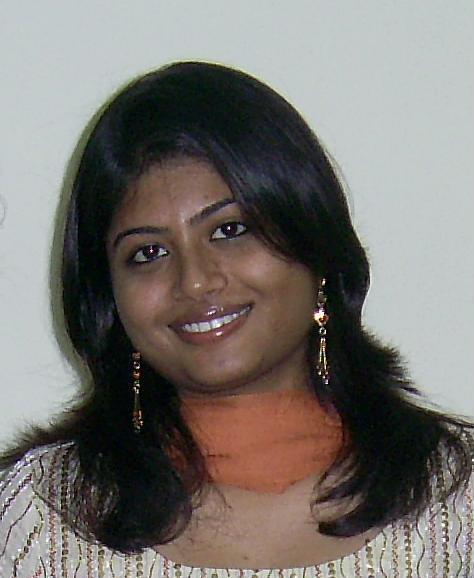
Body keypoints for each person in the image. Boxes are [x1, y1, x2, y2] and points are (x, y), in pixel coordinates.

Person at [0, 61, 472, 577]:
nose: (195, 281)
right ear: (109, 301)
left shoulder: (459, 504)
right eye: (148, 252)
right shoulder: (38, 522)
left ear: (315, 243)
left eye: (229, 230)